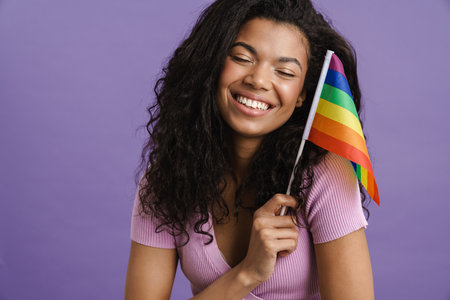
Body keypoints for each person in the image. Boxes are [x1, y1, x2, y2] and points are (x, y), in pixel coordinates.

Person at [125, 0, 374, 299]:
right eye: (242, 58)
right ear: (212, 64)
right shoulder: (166, 178)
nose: (258, 80)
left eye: (284, 71)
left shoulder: (324, 174)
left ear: (301, 96)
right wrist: (249, 272)